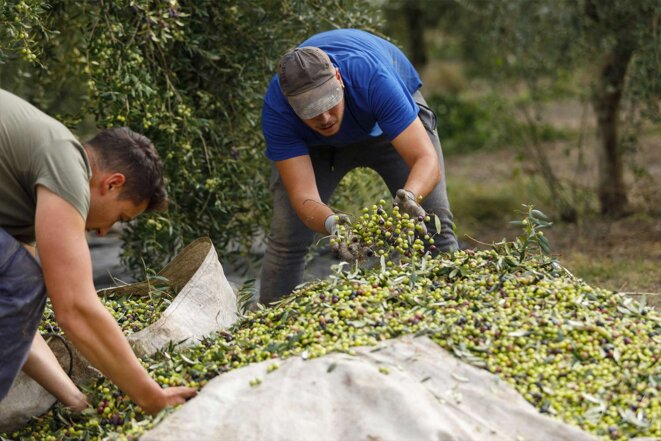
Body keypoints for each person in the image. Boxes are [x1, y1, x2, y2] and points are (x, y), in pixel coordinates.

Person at [0, 88, 196, 414]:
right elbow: (75, 308)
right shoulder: (65, 162)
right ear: (112, 183)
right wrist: (148, 394)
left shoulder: (22, 197)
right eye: (120, 217)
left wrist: (73, 396)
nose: (104, 232)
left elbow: (14, 319)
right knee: (26, 279)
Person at [259, 29, 458, 305]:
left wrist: (411, 196)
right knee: (288, 240)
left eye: (330, 103)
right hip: (316, 147)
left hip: (388, 130)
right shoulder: (277, 111)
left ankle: (453, 306)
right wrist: (333, 224)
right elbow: (303, 197)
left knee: (434, 222)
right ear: (290, 105)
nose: (326, 117)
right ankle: (270, 329)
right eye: (311, 111)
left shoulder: (372, 78)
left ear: (338, 80)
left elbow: (426, 160)